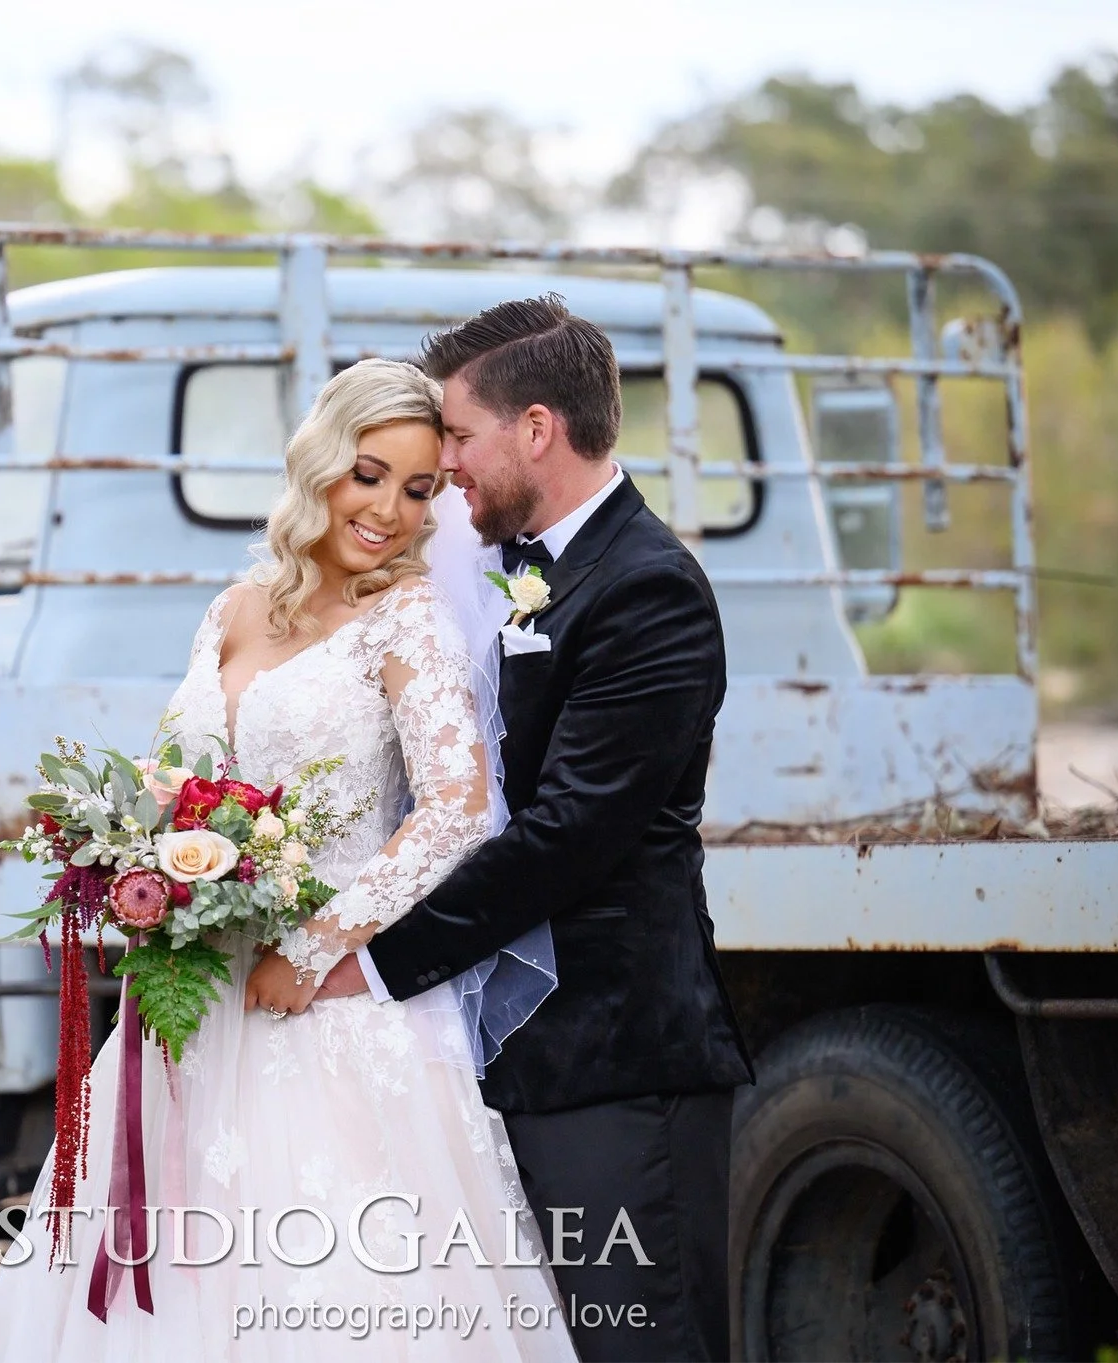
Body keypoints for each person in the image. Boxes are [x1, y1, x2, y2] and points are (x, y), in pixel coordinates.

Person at [0, 358, 575, 1361]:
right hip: (192, 1000)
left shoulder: (406, 616)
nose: (388, 511)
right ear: (320, 462)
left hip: (326, 1007)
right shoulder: (234, 608)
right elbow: (177, 777)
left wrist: (319, 944)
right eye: (368, 475)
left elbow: (458, 810)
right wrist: (145, 867)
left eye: (418, 490)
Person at [318, 296, 754, 1361]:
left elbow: (566, 837)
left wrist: (368, 962)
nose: (446, 464)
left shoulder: (647, 589)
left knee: (640, 1346)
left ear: (538, 429)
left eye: (460, 436)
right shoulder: (516, 569)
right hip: (509, 1061)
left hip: (615, 1066)